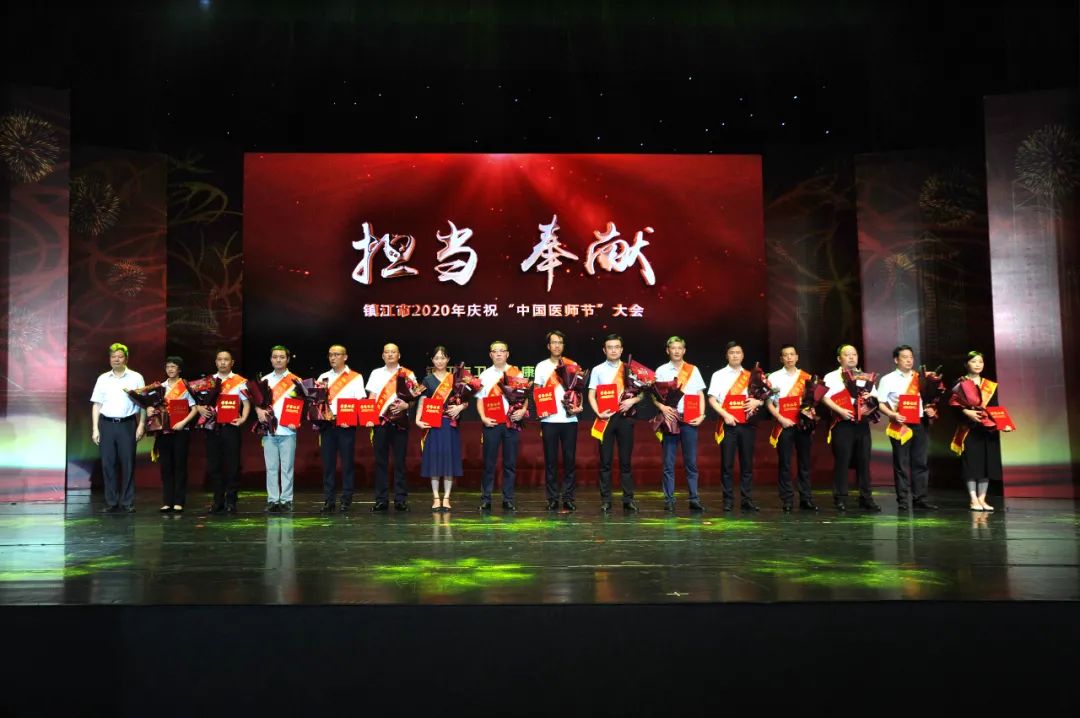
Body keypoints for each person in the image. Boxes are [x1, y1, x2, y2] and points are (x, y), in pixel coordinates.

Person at [876, 345, 938, 511]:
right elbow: (880, 402)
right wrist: (892, 414)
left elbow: (928, 400)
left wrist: (930, 409)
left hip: (919, 422)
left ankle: (920, 499)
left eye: (911, 357)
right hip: (900, 423)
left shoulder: (920, 378)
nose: (909, 360)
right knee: (901, 463)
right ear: (896, 360)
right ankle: (903, 500)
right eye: (905, 357)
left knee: (920, 462)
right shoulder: (887, 379)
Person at [587, 334, 643, 513]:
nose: (613, 350)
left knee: (626, 461)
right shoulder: (597, 370)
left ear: (621, 349)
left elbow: (642, 393)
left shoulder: (630, 369)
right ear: (604, 350)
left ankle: (628, 500)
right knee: (605, 462)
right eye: (610, 347)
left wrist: (632, 401)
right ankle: (606, 500)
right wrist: (598, 412)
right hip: (605, 419)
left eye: (616, 347)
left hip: (625, 419)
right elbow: (591, 395)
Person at [822, 344, 880, 512]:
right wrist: (840, 411)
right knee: (842, 460)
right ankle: (840, 498)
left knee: (864, 461)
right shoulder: (832, 377)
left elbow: (875, 398)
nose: (852, 357)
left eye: (854, 354)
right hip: (842, 422)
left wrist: (870, 399)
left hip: (862, 424)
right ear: (839, 358)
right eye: (847, 355)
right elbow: (824, 398)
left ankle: (866, 498)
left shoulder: (866, 377)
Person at [706, 341, 764, 512]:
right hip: (728, 424)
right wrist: (725, 415)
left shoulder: (751, 375)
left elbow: (761, 398)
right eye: (732, 352)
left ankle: (746, 500)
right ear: (727, 355)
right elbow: (712, 400)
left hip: (747, 425)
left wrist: (757, 402)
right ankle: (728, 500)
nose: (735, 355)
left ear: (743, 355)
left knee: (747, 464)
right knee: (727, 465)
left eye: (738, 352)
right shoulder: (718, 375)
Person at [90, 342, 146, 513]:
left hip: (127, 424)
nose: (116, 359)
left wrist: (141, 425)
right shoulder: (103, 378)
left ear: (126, 358)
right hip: (106, 424)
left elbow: (143, 404)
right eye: (113, 357)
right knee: (108, 464)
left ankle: (127, 501)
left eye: (120, 356)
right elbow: (97, 404)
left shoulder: (136, 377)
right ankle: (111, 501)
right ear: (109, 359)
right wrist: (95, 429)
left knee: (128, 463)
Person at [653, 336, 707, 512]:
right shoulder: (661, 370)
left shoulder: (693, 370)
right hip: (671, 418)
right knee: (668, 463)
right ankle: (669, 499)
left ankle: (694, 499)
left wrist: (702, 414)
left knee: (691, 462)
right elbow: (654, 395)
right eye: (673, 348)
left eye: (679, 348)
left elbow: (700, 394)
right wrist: (662, 407)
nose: (676, 351)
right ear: (667, 350)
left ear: (684, 350)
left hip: (690, 418)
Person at [949, 350, 1007, 511]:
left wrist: (1004, 423)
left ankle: (982, 498)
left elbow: (995, 407)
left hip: (987, 429)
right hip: (969, 429)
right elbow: (953, 406)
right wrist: (966, 412)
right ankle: (973, 499)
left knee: (986, 464)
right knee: (971, 464)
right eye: (974, 361)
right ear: (966, 364)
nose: (978, 365)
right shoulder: (960, 383)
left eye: (980, 362)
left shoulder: (990, 385)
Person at [534, 330, 583, 511]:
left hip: (570, 420)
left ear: (563, 345)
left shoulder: (572, 365)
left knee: (569, 461)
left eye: (560, 342)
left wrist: (579, 406)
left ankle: (568, 498)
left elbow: (578, 391)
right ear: (548, 346)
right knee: (551, 461)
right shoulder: (541, 366)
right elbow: (537, 390)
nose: (557, 345)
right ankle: (552, 498)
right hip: (549, 420)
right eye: (553, 342)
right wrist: (541, 408)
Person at [477, 340, 528, 511]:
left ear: (507, 354)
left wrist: (523, 411)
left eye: (502, 350)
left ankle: (508, 499)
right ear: (490, 354)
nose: (498, 353)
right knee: (489, 463)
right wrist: (483, 417)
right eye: (495, 351)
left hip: (511, 423)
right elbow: (480, 400)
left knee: (510, 463)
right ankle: (486, 499)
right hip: (492, 423)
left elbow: (524, 396)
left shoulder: (516, 372)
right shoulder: (485, 375)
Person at [766, 344, 818, 512]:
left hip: (803, 424)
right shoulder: (773, 377)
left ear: (797, 357)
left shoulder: (806, 377)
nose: (789, 358)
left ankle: (806, 499)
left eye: (792, 354)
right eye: (785, 355)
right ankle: (787, 499)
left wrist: (810, 410)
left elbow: (811, 402)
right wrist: (780, 418)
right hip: (784, 424)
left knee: (804, 463)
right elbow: (769, 403)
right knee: (785, 463)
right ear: (781, 358)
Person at [366, 343, 417, 512]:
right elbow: (372, 397)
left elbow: (414, 398)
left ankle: (400, 499)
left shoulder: (408, 373)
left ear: (399, 355)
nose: (390, 355)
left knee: (400, 462)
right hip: (380, 422)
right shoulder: (376, 373)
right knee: (380, 462)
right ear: (383, 356)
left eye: (393, 352)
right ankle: (381, 500)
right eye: (387, 352)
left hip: (400, 422)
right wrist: (369, 417)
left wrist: (406, 406)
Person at [198, 350, 250, 514]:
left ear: (232, 362)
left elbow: (246, 403)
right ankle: (217, 501)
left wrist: (243, 419)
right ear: (216, 362)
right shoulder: (208, 382)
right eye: (220, 359)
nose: (222, 362)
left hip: (231, 427)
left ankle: (231, 501)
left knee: (233, 465)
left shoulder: (239, 381)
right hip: (212, 427)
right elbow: (198, 402)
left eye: (226, 360)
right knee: (214, 465)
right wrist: (199, 408)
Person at [416, 346, 467, 511]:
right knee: (435, 461)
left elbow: (465, 401)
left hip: (449, 424)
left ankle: (446, 498)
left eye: (442, 358)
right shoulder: (427, 380)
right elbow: (422, 401)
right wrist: (417, 419)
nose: (439, 361)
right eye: (436, 358)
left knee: (448, 461)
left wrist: (460, 408)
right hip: (433, 424)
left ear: (448, 359)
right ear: (432, 360)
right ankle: (436, 497)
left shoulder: (455, 379)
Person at [316, 344, 365, 513]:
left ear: (345, 357)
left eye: (337, 354)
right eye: (330, 354)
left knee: (347, 463)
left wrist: (351, 419)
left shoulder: (355, 377)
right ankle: (329, 500)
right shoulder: (323, 377)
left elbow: (360, 401)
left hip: (346, 426)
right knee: (328, 464)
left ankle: (346, 499)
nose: (333, 357)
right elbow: (318, 402)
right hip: (327, 426)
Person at [257, 345, 302, 513]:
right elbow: (257, 403)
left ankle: (286, 500)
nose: (278, 360)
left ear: (287, 359)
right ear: (271, 359)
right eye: (275, 357)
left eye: (282, 357)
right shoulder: (264, 380)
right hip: (269, 431)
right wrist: (258, 411)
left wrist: (296, 420)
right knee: (271, 468)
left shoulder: (296, 380)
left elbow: (302, 405)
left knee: (287, 468)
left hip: (288, 431)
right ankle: (272, 500)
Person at [151, 356, 197, 513]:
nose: (170, 369)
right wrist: (150, 410)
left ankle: (178, 501)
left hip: (181, 431)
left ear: (179, 369)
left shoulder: (185, 386)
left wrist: (183, 423)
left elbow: (194, 409)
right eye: (168, 366)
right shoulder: (160, 387)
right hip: (164, 432)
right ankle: (167, 501)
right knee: (166, 466)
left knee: (179, 466)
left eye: (173, 366)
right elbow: (154, 407)